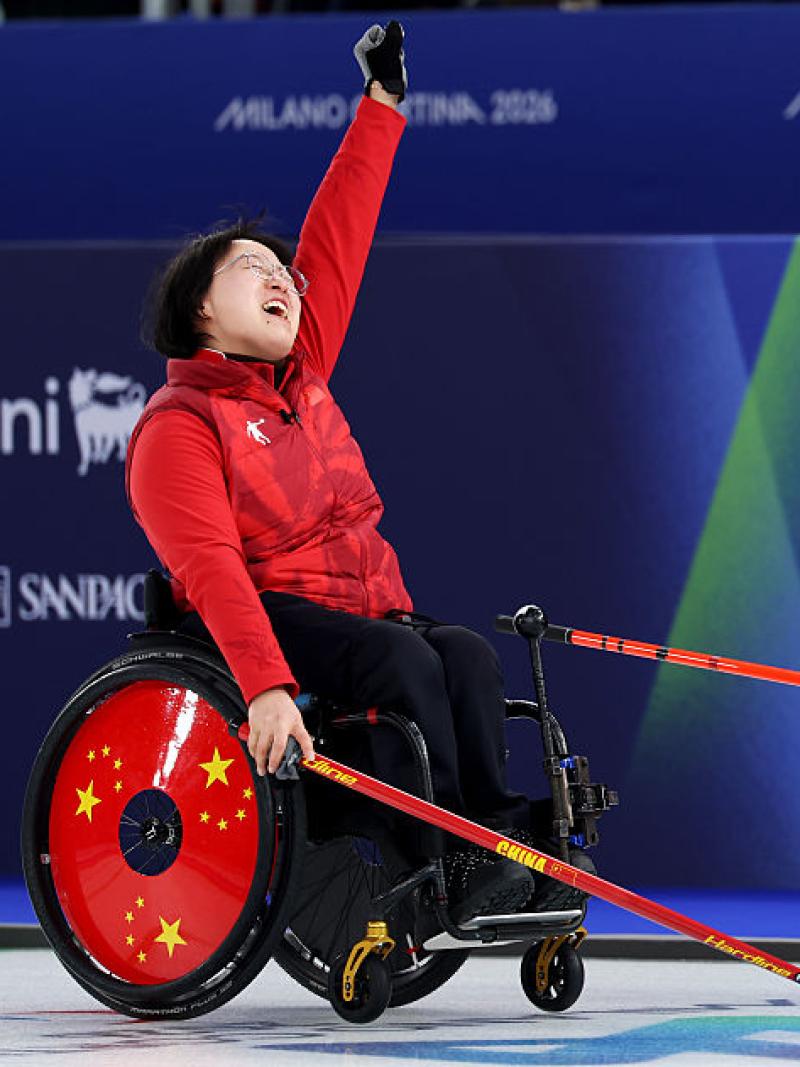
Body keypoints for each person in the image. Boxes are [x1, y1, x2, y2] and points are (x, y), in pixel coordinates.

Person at [127, 22, 590, 925]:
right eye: (252, 270)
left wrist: (381, 105)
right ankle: (448, 857)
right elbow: (213, 570)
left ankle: (498, 837)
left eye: (281, 271)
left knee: (465, 654)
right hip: (272, 615)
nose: (281, 278)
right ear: (199, 311)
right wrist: (262, 686)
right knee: (404, 657)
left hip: (359, 607)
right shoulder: (176, 426)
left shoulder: (303, 373)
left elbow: (338, 236)